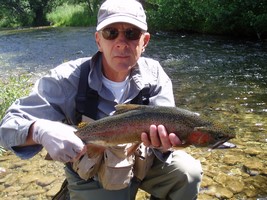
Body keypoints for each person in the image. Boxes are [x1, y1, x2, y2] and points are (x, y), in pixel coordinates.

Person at [0, 0, 203, 199]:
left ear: (145, 41)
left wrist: (165, 143)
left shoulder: (155, 74)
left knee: (188, 173)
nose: (121, 42)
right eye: (111, 33)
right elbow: (7, 128)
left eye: (132, 33)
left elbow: (169, 131)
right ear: (98, 40)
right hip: (93, 170)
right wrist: (39, 130)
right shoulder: (67, 79)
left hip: (145, 159)